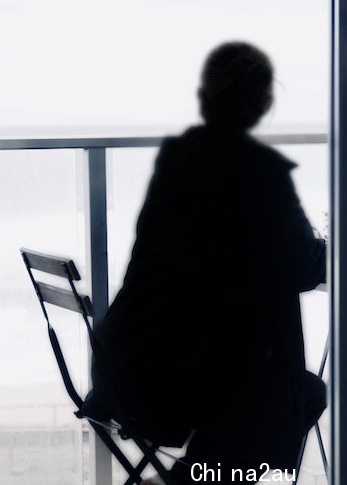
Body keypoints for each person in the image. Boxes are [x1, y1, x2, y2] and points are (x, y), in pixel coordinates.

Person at [83, 41, 327, 484]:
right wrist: (333, 247)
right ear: (265, 104)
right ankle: (195, 481)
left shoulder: (176, 161)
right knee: (299, 395)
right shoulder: (260, 173)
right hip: (179, 381)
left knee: (263, 393)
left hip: (127, 366)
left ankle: (186, 479)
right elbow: (301, 267)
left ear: (205, 97)